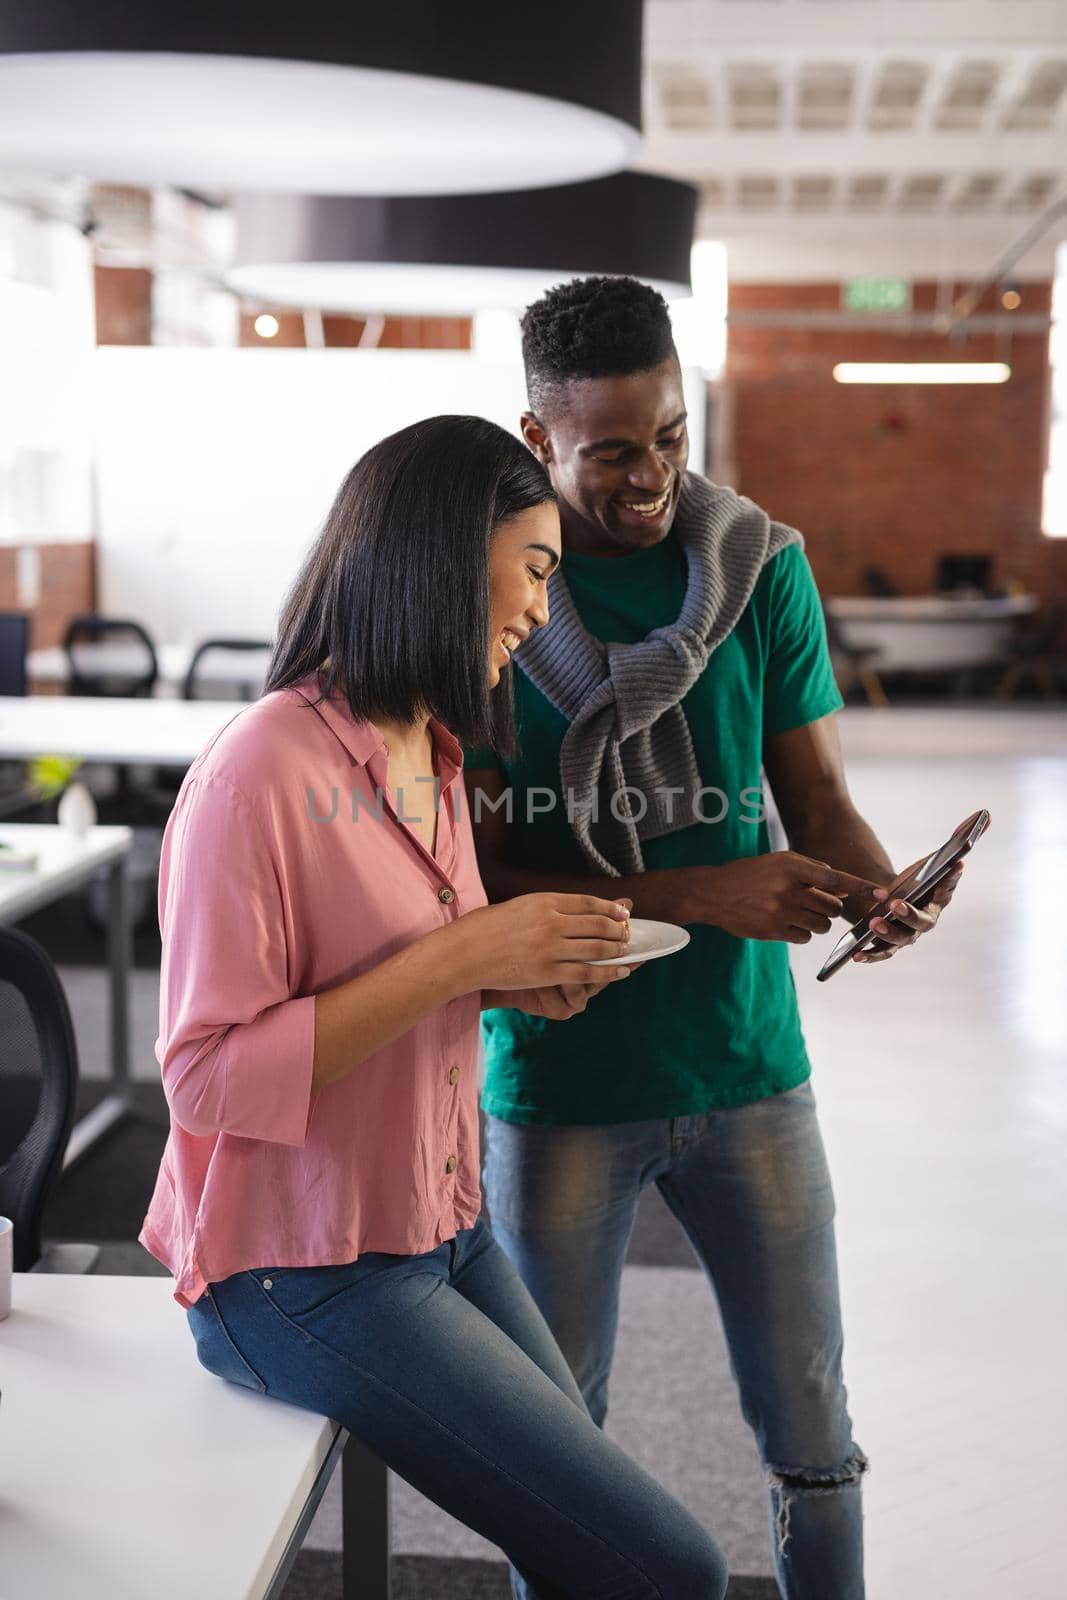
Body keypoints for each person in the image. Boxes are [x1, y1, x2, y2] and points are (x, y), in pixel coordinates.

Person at [138, 414, 730, 1600]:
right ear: (443, 558)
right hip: (294, 1271)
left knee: (592, 1547)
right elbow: (203, 1075)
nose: (540, 609)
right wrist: (466, 955)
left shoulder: (436, 746)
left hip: (437, 1229)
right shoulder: (261, 766)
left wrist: (510, 977)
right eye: (535, 569)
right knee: (672, 1568)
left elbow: (410, 977)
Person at [463, 278, 965, 1600]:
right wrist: (703, 894)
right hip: (558, 1077)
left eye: (671, 437)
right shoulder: (488, 591)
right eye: (611, 450)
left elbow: (815, 806)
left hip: (747, 1072)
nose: (650, 478)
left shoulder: (757, 564)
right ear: (535, 438)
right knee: (556, 1450)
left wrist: (875, 890)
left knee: (814, 1441)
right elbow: (467, 875)